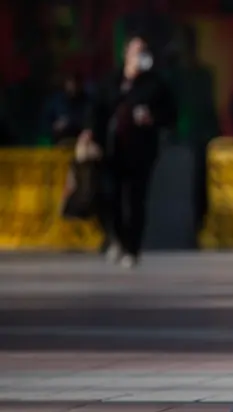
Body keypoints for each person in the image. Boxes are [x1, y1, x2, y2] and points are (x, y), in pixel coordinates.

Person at [83, 33, 176, 268]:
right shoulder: (111, 82)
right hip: (110, 150)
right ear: (127, 55)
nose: (141, 57)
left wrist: (151, 118)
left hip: (140, 151)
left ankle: (132, 248)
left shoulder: (156, 85)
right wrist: (91, 134)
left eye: (144, 51)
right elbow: (98, 111)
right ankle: (115, 239)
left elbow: (171, 116)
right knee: (109, 196)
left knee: (135, 200)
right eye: (137, 52)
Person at [44, 73, 91, 145]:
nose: (73, 85)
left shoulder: (87, 101)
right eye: (70, 81)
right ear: (65, 83)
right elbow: (46, 121)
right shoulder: (57, 100)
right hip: (58, 142)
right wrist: (54, 126)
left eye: (76, 82)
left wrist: (68, 123)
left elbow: (88, 122)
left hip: (81, 142)